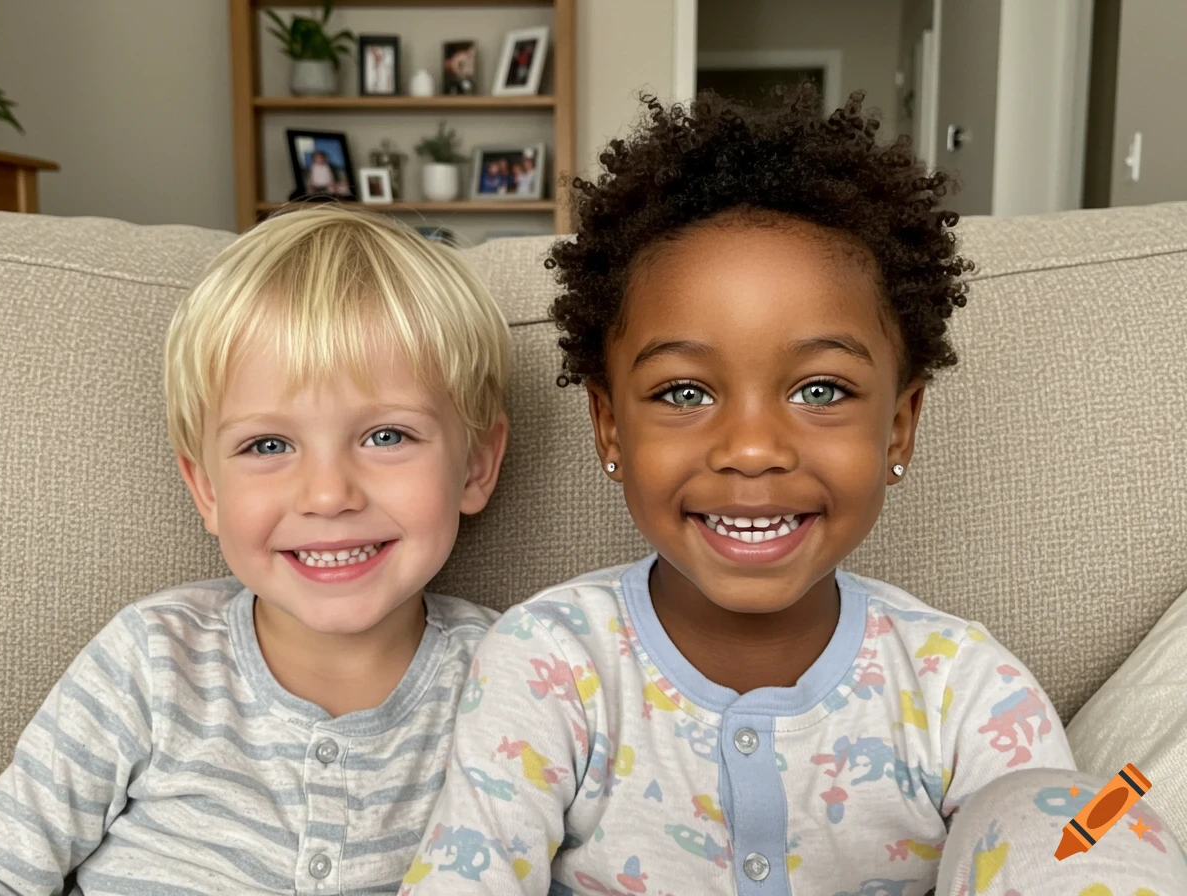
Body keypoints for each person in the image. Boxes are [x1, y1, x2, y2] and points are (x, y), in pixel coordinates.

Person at [398, 89, 1187, 895]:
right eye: (683, 393)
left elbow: (1063, 858)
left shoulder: (964, 687)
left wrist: (1104, 826)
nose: (751, 450)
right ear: (608, 427)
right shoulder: (550, 663)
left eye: (819, 391)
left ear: (899, 427)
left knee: (1095, 814)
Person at [0, 207, 512, 895]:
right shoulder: (153, 660)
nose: (327, 494)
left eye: (386, 436)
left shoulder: (514, 678)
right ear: (207, 491)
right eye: (268, 446)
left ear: (475, 467)